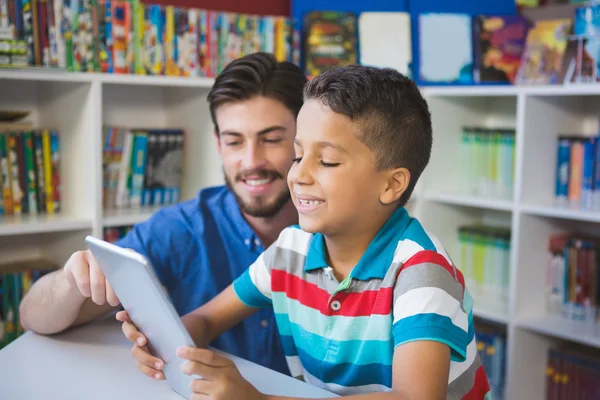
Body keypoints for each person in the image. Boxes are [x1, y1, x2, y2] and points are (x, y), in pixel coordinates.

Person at [119, 64, 492, 399]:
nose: (298, 174)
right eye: (298, 155)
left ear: (392, 185)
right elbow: (207, 319)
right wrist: (165, 342)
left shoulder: (422, 275)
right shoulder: (292, 250)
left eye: (327, 160)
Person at [18, 52, 308, 375]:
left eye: (271, 139)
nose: (251, 161)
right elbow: (31, 316)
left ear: (304, 139)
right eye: (234, 142)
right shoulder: (183, 228)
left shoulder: (345, 229)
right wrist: (73, 281)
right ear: (217, 143)